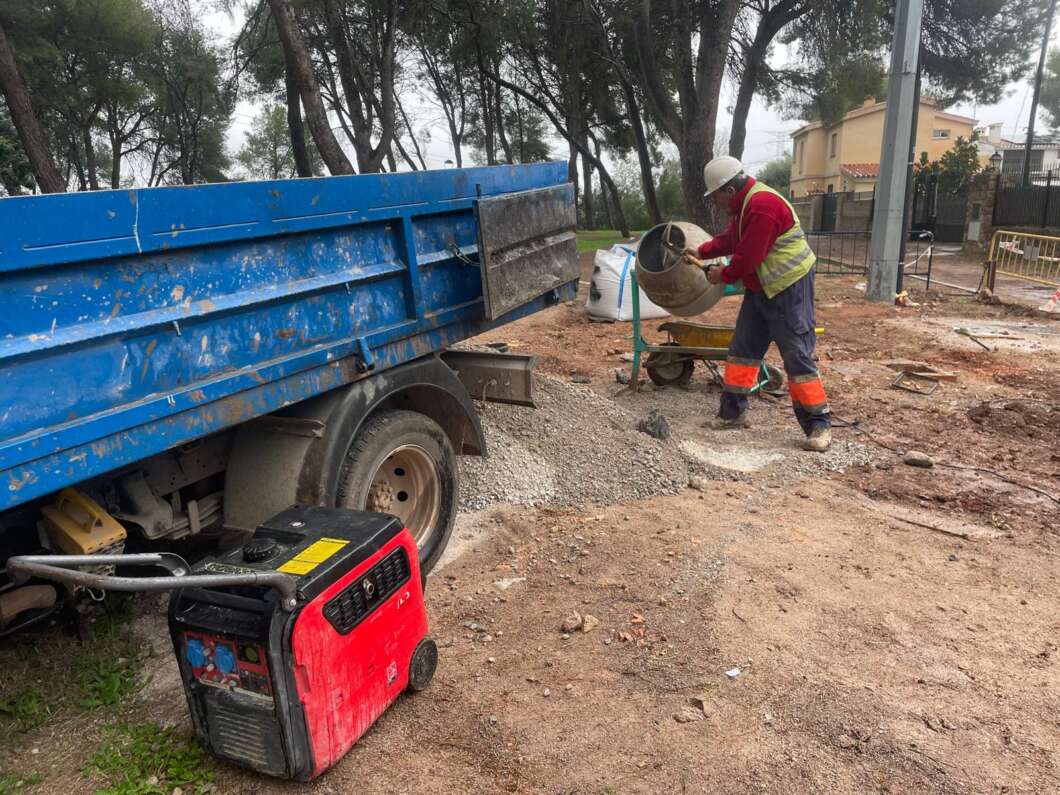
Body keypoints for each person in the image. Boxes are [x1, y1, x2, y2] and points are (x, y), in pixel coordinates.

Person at [686, 155, 831, 452]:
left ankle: (819, 424)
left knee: (796, 357)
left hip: (789, 288)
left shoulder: (763, 206)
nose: (714, 203)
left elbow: (748, 257)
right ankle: (732, 414)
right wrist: (702, 251)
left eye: (715, 197)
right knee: (742, 351)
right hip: (762, 289)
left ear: (728, 190)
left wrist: (721, 275)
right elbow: (732, 239)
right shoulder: (744, 206)